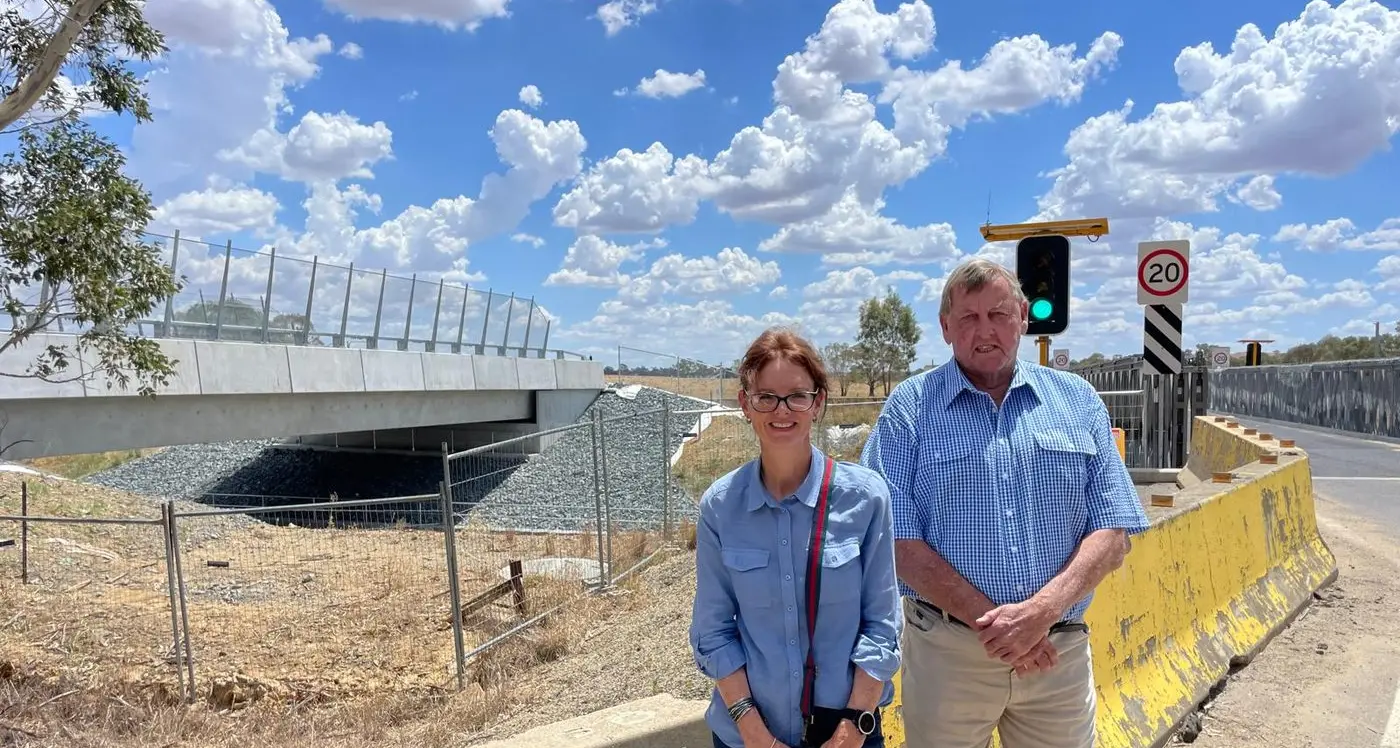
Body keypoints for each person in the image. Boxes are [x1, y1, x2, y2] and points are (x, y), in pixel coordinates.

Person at [859, 258, 1150, 748]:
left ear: (1021, 315)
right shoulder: (909, 410)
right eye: (968, 318)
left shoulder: (1077, 401)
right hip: (949, 655)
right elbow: (894, 540)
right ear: (946, 328)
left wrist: (1039, 614)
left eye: (998, 314)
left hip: (1055, 653)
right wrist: (1000, 626)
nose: (985, 330)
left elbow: (1114, 530)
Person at [689, 327, 902, 748]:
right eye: (765, 396)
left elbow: (882, 625)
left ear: (818, 402)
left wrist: (851, 727)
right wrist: (754, 734)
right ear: (745, 405)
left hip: (844, 733)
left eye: (797, 396)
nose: (780, 410)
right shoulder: (720, 507)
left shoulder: (866, 498)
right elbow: (713, 632)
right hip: (745, 735)